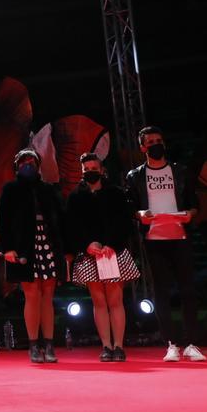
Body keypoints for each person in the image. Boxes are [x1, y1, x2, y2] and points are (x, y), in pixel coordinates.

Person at [126, 126, 205, 362]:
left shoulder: (179, 172)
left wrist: (190, 213)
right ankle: (171, 343)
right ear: (143, 148)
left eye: (159, 140)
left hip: (180, 237)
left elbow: (193, 202)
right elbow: (130, 207)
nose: (155, 144)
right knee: (161, 291)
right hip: (154, 239)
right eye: (150, 142)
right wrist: (140, 214)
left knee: (188, 289)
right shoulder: (135, 176)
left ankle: (192, 343)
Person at [0, 149, 68, 363]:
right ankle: (33, 344)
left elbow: (61, 220)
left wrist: (66, 250)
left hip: (48, 244)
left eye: (32, 161)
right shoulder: (10, 189)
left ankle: (49, 344)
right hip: (24, 247)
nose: (28, 165)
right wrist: (8, 248)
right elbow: (2, 221)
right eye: (24, 162)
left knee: (48, 296)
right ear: (16, 166)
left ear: (38, 165)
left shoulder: (48, 190)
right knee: (32, 295)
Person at [66, 153, 140, 361]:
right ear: (81, 171)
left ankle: (119, 346)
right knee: (99, 301)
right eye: (86, 169)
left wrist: (112, 244)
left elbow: (125, 222)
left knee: (115, 300)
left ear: (101, 169)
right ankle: (106, 346)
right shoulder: (75, 197)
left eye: (93, 168)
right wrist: (87, 244)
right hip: (90, 255)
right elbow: (72, 227)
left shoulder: (115, 193)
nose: (90, 171)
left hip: (113, 252)